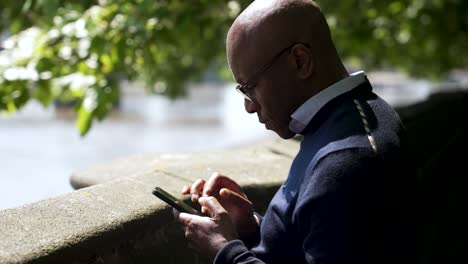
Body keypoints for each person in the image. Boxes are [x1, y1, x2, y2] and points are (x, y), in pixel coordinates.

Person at [175, 0, 415, 263]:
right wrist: (251, 226)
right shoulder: (362, 115)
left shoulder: (346, 162)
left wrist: (224, 251)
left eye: (250, 85)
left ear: (300, 61)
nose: (248, 107)